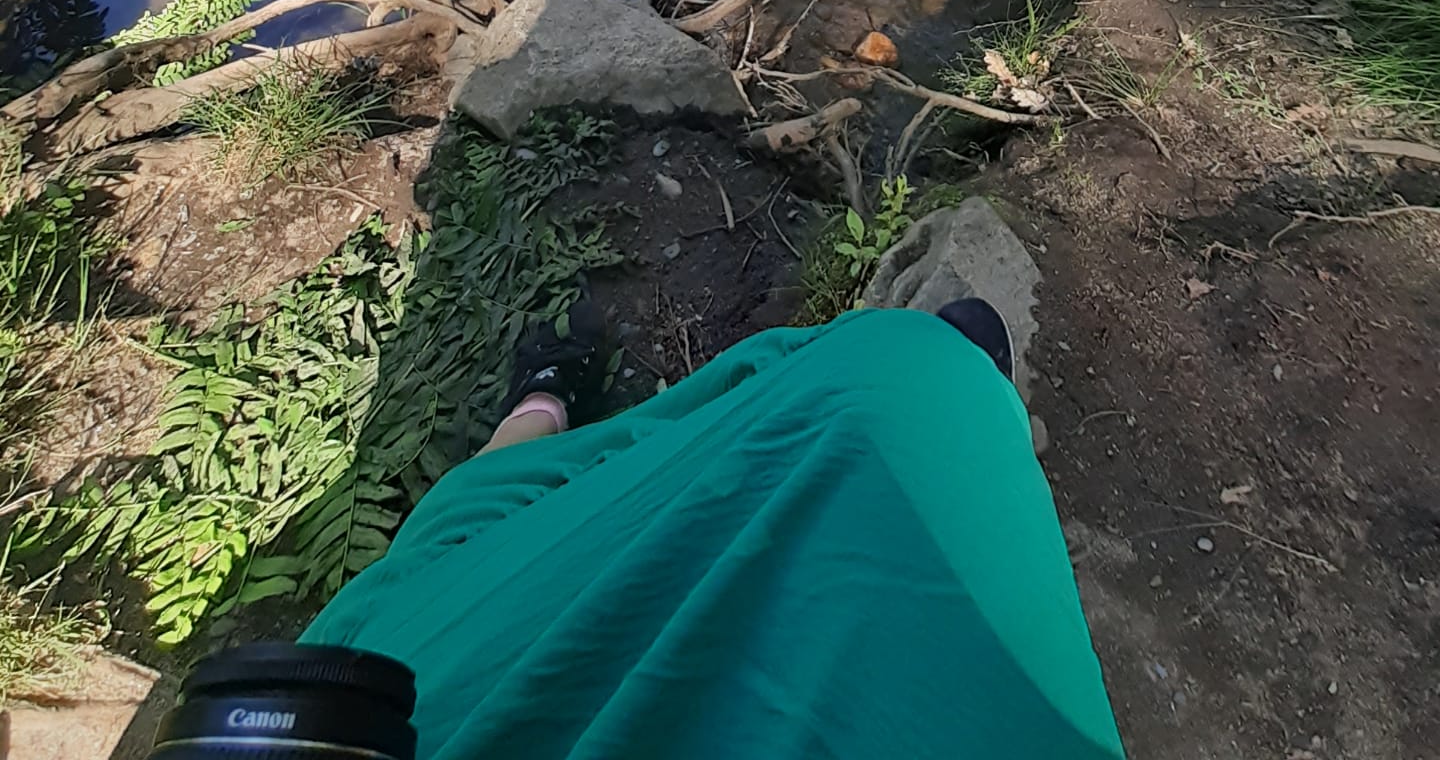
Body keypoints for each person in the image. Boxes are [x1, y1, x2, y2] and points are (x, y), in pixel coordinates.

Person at [301, 304, 1124, 759]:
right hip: (409, 697)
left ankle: (541, 404)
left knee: (465, 522)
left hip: (375, 704)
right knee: (909, 378)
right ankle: (543, 409)